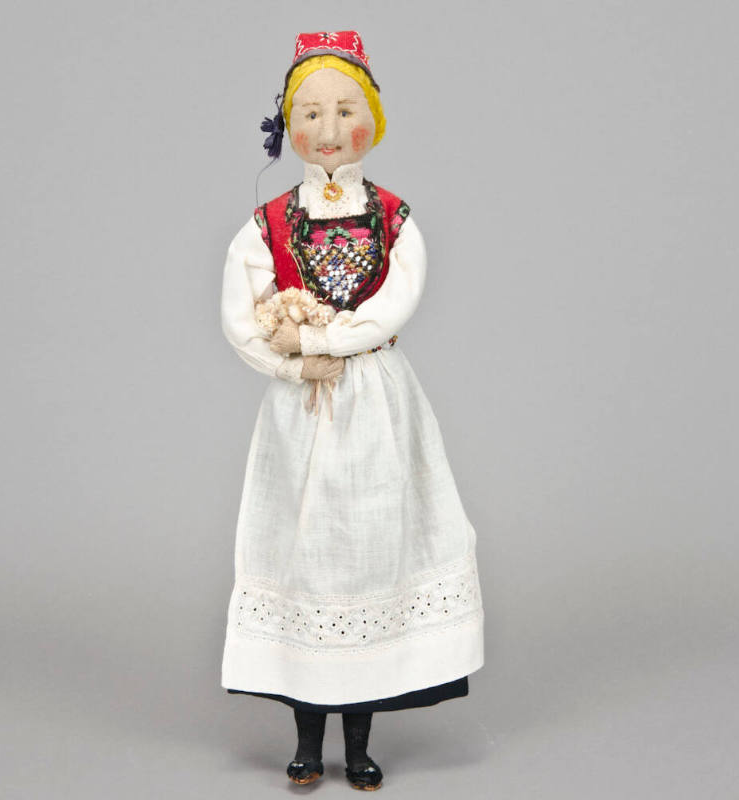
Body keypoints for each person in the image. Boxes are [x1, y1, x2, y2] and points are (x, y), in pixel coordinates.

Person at [219, 30, 484, 791]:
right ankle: (308, 741)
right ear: (288, 124)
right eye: (311, 113)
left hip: (375, 402)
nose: (329, 129)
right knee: (304, 555)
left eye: (345, 110)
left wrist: (328, 337)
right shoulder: (268, 224)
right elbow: (239, 315)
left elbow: (397, 299)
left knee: (370, 551)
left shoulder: (394, 217)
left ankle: (360, 740)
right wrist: (291, 361)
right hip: (301, 410)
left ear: (373, 118)